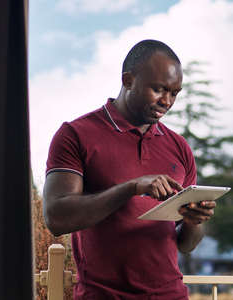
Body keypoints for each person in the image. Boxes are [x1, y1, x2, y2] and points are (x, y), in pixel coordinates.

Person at [43, 39, 216, 299]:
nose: (166, 101)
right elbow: (56, 218)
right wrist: (132, 187)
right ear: (128, 81)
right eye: (158, 89)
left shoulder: (179, 147)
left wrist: (194, 222)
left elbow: (185, 245)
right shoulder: (76, 134)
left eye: (175, 93)